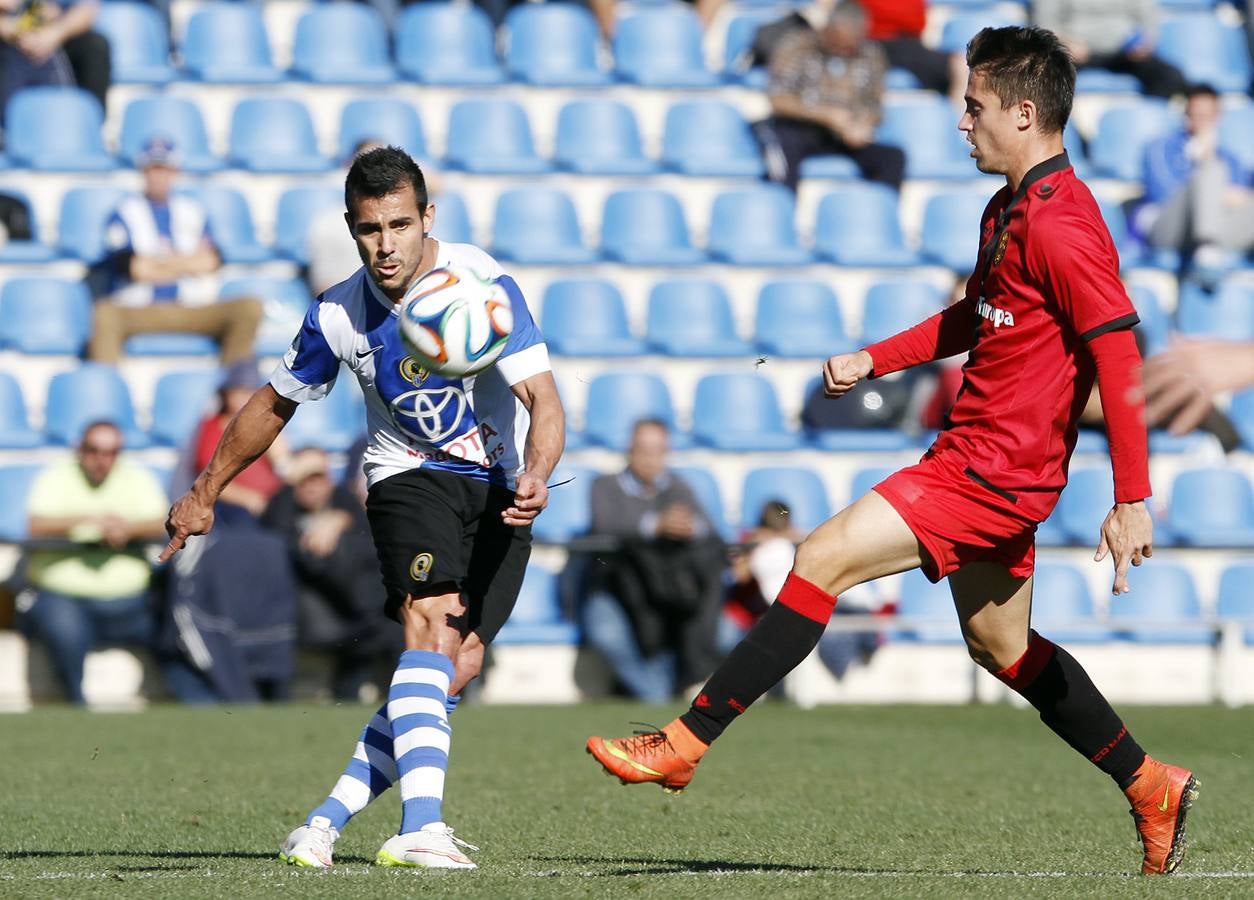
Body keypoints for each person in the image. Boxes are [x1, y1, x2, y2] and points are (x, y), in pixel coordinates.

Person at [587, 26, 1199, 877]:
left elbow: (1120, 355)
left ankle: (685, 741)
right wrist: (876, 357)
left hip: (990, 472)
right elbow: (973, 315)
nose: (963, 122)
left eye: (975, 106)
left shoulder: (1064, 224)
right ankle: (1149, 782)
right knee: (1003, 650)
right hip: (986, 464)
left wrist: (1133, 495)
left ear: (1025, 113)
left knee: (820, 555)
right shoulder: (1009, 208)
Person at [160, 145, 565, 871]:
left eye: (400, 226)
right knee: (431, 628)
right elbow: (273, 404)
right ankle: (422, 828)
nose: (386, 246)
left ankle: (322, 822)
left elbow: (544, 398)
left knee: (455, 666)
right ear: (352, 229)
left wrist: (536, 471)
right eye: (370, 229)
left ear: (426, 218)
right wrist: (204, 490)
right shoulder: (337, 313)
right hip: (407, 475)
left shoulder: (483, 285)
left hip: (500, 488)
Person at [17, 420, 167, 704]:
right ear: (79, 450)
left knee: (174, 622)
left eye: (111, 452)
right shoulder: (56, 476)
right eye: (94, 450)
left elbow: (162, 523)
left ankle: (199, 704)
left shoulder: (137, 477)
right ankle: (76, 706)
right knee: (64, 627)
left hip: (130, 601)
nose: (102, 459)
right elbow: (35, 525)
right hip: (66, 598)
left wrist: (127, 529)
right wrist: (89, 520)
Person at [580, 418, 725, 702]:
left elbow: (709, 529)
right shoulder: (605, 485)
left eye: (657, 450)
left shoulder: (679, 488)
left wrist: (688, 526)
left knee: (726, 632)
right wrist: (653, 525)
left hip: (666, 593)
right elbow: (604, 525)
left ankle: (670, 685)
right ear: (629, 450)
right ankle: (655, 693)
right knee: (606, 632)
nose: (650, 458)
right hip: (614, 589)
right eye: (643, 449)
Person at [89, 136, 262, 365]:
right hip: (140, 308)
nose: (158, 176)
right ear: (143, 172)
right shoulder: (124, 212)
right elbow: (132, 268)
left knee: (248, 307)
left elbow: (212, 262)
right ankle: (106, 391)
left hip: (191, 307)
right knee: (104, 314)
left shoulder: (193, 211)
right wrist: (187, 263)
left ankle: (234, 392)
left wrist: (157, 263)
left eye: (164, 169)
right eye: (153, 169)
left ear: (175, 172)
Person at [261, 446, 401, 701]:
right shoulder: (282, 505)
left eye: (320, 476)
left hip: (350, 606)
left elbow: (366, 539)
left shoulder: (342, 502)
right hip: (309, 606)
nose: (312, 485)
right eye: (304, 478)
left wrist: (339, 519)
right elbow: (292, 548)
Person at [756, 1, 905, 192]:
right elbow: (777, 98)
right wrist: (824, 115)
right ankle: (784, 208)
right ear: (829, 29)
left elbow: (875, 105)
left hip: (846, 135)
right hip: (801, 127)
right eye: (840, 42)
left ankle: (875, 215)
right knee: (782, 145)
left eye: (851, 44)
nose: (845, 49)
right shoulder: (797, 45)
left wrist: (862, 124)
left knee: (892, 157)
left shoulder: (871, 54)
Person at [1136, 84, 1254, 279]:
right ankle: (1206, 249)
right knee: (1211, 170)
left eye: (1207, 116)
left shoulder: (1231, 160)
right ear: (1186, 115)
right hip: (1168, 228)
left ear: (1218, 118)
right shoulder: (1160, 148)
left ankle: (1210, 248)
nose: (1201, 121)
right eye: (1195, 114)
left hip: (1219, 230)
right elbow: (1162, 195)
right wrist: (1202, 165)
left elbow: (1242, 201)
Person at [186, 358, 286, 529]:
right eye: (239, 391)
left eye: (250, 392)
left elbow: (284, 467)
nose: (244, 398)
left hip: (272, 501)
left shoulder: (268, 425)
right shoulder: (212, 428)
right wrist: (249, 499)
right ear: (226, 395)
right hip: (234, 508)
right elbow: (209, 479)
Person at [1032, 0, 1185, 99]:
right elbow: (1043, 25)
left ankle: (1147, 126)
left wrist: (1143, 44)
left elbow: (1149, 20)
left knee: (1169, 77)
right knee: (1044, 76)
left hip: (1126, 53)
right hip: (1075, 52)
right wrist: (1065, 43)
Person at [0, 0, 110, 114]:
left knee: (94, 45)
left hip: (54, 35)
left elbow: (87, 9)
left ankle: (89, 120)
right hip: (8, 39)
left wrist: (55, 34)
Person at [862, 0, 966, 103]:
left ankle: (960, 119)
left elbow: (917, 21)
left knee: (962, 67)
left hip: (908, 43)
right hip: (869, 43)